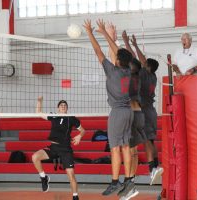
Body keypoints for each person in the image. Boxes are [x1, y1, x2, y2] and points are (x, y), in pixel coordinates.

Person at [83, 19, 136, 199]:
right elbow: (117, 51)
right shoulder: (129, 70)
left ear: (118, 60)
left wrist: (90, 32)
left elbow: (98, 51)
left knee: (115, 149)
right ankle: (129, 180)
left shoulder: (112, 71)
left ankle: (115, 182)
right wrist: (106, 34)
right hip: (129, 112)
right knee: (126, 147)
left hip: (118, 113)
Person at [32, 96, 85, 200]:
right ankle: (44, 178)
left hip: (65, 149)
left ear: (67, 108)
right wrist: (39, 101)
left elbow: (83, 130)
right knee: (35, 157)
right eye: (61, 105)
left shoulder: (71, 118)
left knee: (71, 175)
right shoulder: (54, 116)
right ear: (58, 108)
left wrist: (80, 136)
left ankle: (75, 197)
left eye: (65, 105)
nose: (63, 107)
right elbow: (38, 113)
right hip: (53, 147)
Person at [130, 34, 163, 185]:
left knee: (146, 141)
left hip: (144, 111)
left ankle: (152, 170)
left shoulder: (145, 73)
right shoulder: (154, 77)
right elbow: (139, 61)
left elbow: (137, 59)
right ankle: (156, 166)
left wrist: (133, 44)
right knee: (150, 140)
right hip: (151, 111)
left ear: (147, 67)